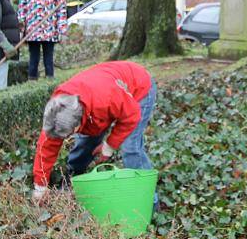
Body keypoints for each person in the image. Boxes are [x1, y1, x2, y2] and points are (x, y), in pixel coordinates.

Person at [31, 61, 156, 203]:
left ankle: (149, 200)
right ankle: (73, 176)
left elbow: (131, 116)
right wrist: (40, 186)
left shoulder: (106, 98)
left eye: (68, 134)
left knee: (130, 148)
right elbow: (47, 146)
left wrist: (109, 146)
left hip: (138, 87)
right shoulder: (58, 112)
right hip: (103, 92)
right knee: (86, 141)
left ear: (78, 124)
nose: (62, 139)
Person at [18, 0, 67, 80]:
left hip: (49, 28)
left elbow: (61, 8)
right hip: (32, 29)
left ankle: (49, 81)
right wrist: (21, 25)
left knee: (48, 58)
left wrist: (62, 29)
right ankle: (32, 81)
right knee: (33, 58)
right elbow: (22, 6)